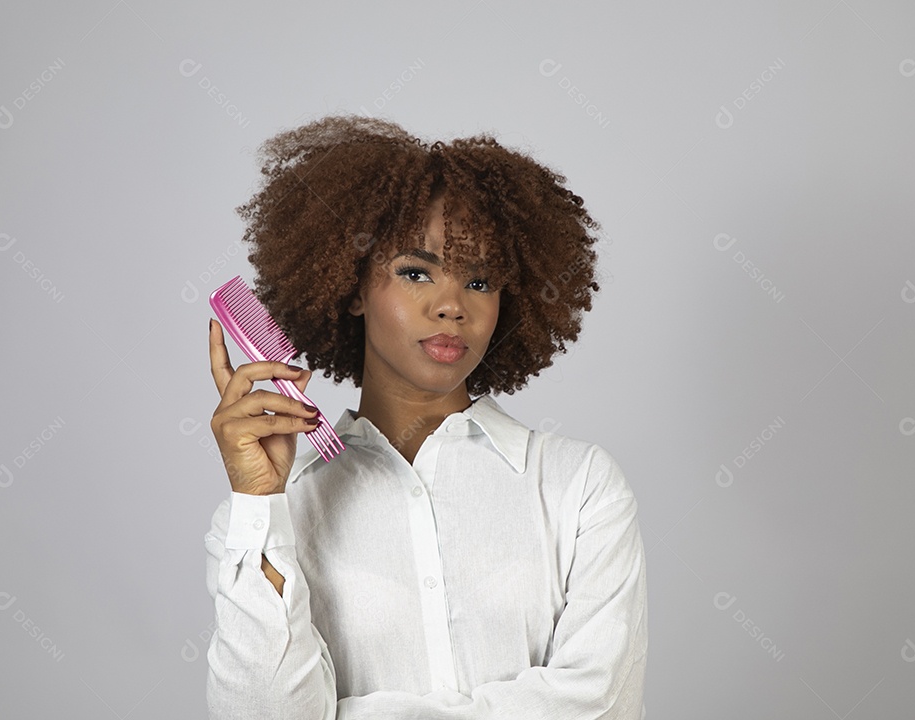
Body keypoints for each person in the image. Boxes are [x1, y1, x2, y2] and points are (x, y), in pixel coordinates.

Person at [204, 114, 648, 719]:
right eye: (416, 272)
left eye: (480, 280)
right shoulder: (270, 516)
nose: (450, 306)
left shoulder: (579, 489)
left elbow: (599, 706)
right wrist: (261, 502)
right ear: (354, 287)